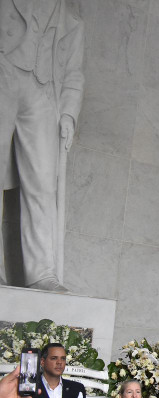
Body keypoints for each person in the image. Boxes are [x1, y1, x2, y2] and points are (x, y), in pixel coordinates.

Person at [0, 0, 84, 290]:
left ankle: (42, 274)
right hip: (5, 71)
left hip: (45, 89)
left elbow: (74, 69)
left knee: (44, 183)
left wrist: (69, 113)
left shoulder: (71, 13)